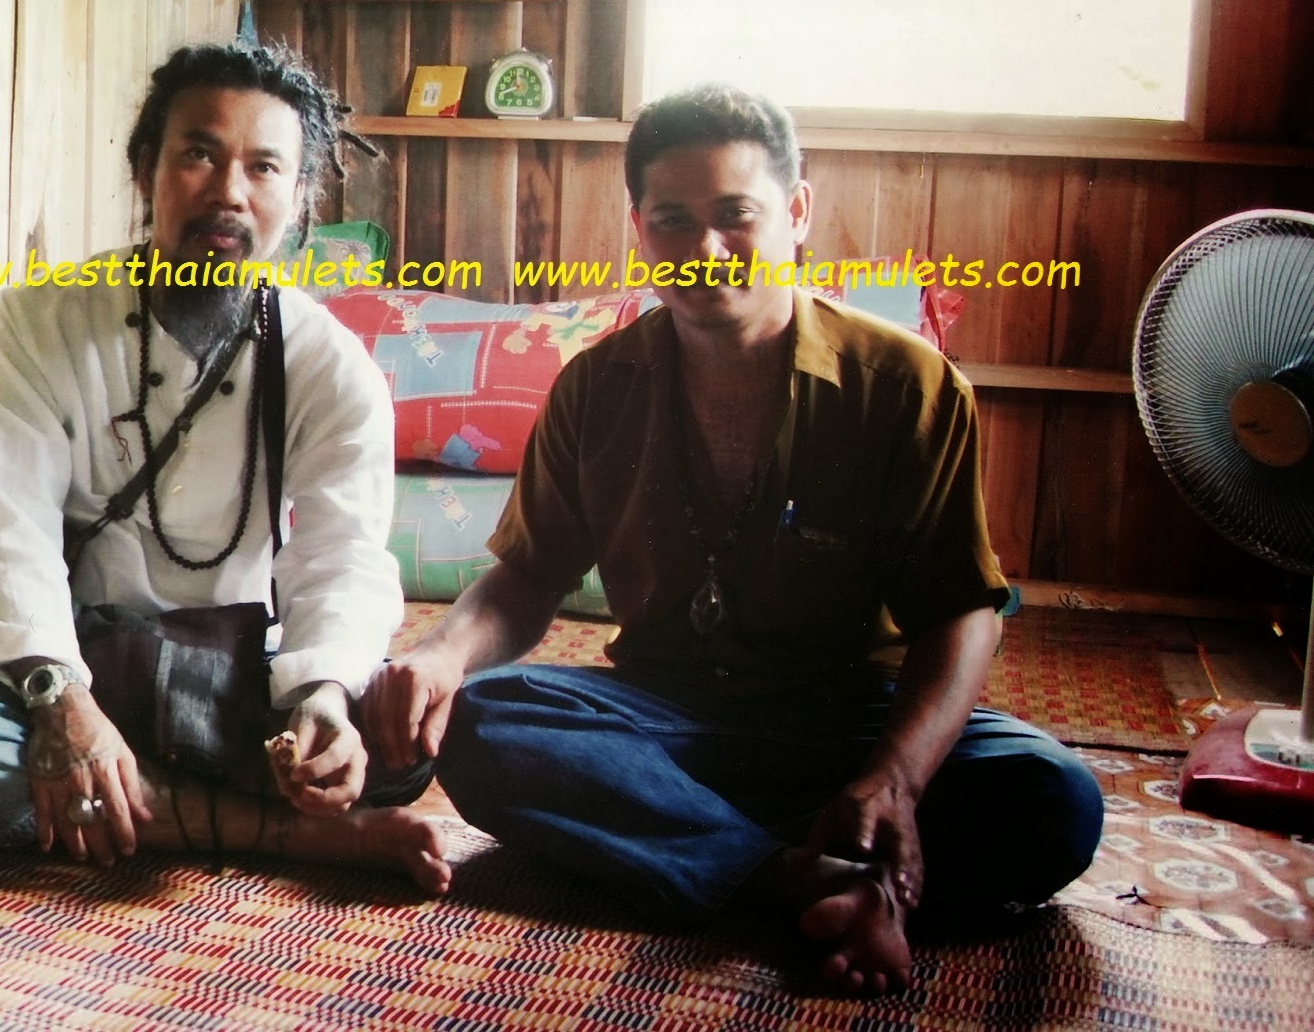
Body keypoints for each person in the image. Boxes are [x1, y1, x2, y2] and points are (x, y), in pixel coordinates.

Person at [363, 85, 1103, 993]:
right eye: (673, 221)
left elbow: (961, 614)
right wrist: (439, 656)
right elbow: (527, 578)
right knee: (484, 722)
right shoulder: (595, 388)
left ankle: (720, 851)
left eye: (736, 215)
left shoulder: (907, 385)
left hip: (852, 723)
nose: (704, 249)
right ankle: (808, 881)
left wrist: (895, 781)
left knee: (1055, 797)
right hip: (670, 719)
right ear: (638, 229)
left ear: (797, 213)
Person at [0, 43, 450, 895]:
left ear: (299, 196)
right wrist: (62, 703)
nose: (229, 192)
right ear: (146, 168)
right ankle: (296, 837)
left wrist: (324, 701)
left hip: (234, 680)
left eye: (263, 167)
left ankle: (27, 810)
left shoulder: (331, 367)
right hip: (82, 660)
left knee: (397, 747)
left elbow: (343, 559)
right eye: (199, 155)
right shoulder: (41, 322)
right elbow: (9, 534)